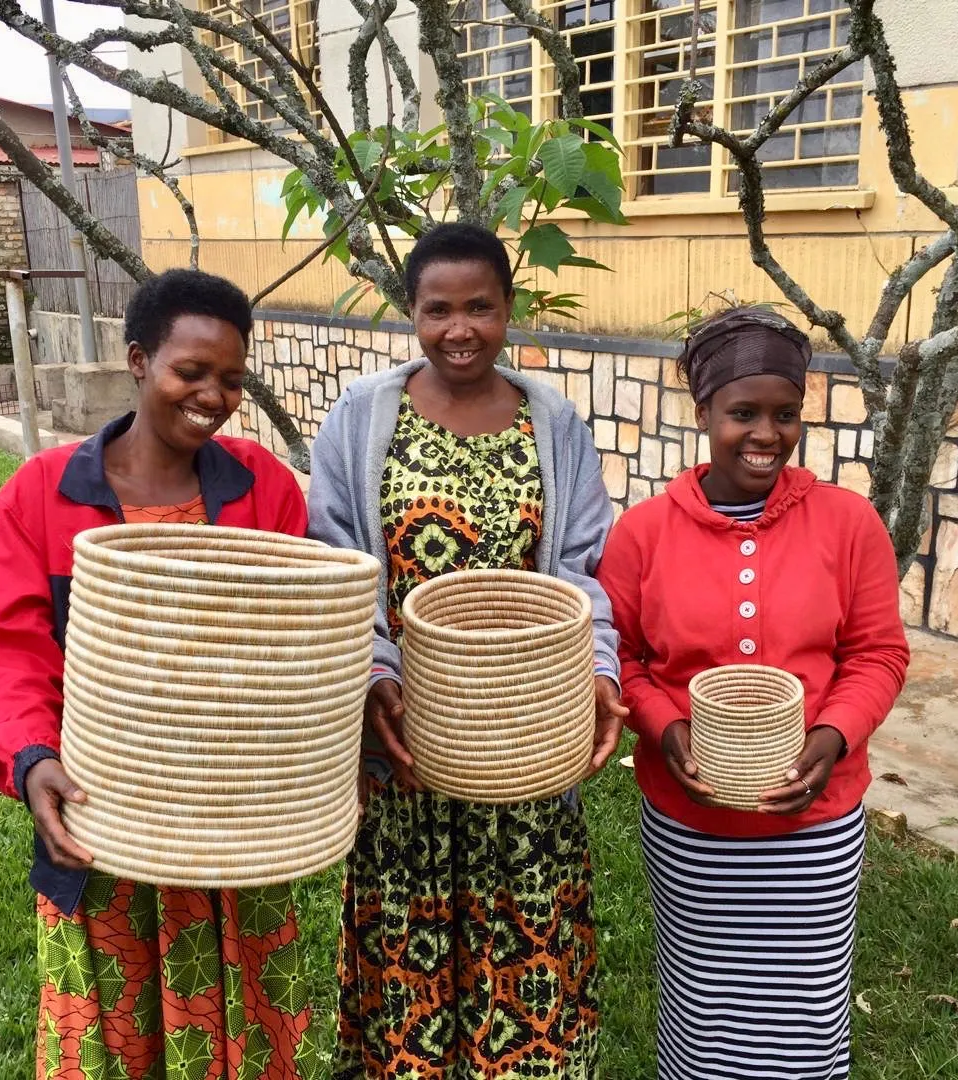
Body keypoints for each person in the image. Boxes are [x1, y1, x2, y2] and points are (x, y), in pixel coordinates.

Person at [0, 269, 323, 1080]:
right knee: (114, 1040)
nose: (213, 395)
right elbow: (3, 650)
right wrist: (31, 757)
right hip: (103, 826)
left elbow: (295, 642)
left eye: (232, 378)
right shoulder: (43, 496)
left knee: (239, 1031)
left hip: (235, 831)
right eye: (191, 372)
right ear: (137, 360)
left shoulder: (263, 491)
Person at [308, 221, 628, 1079]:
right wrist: (377, 682)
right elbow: (338, 562)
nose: (460, 329)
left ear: (509, 308)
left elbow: (582, 571)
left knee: (523, 926)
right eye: (437, 308)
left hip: (521, 736)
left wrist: (598, 673)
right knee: (408, 932)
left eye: (480, 307)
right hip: (410, 734)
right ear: (409, 311)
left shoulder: (552, 423)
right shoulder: (360, 418)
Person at [596, 306, 910, 1080]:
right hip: (692, 825)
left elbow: (877, 653)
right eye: (743, 414)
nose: (766, 434)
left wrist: (829, 741)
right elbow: (622, 657)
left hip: (816, 824)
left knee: (804, 1014)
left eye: (786, 414)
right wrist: (666, 730)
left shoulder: (848, 524)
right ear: (702, 413)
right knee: (704, 1010)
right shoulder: (643, 534)